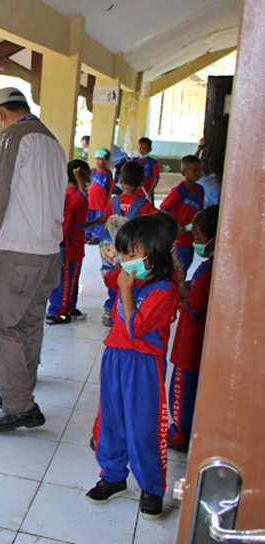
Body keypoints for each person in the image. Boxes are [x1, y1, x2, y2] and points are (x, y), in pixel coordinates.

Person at [0, 87, 66, 432]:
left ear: (0, 114)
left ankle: (19, 405)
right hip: (48, 252)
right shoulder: (52, 141)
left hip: (17, 251)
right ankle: (19, 387)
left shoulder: (11, 136)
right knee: (27, 323)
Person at [86, 214, 179, 520]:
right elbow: (110, 278)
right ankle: (113, 476)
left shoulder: (164, 290)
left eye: (131, 253)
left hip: (142, 364)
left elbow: (136, 327)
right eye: (124, 252)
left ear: (153, 256)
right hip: (115, 356)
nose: (125, 260)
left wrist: (127, 289)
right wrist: (121, 263)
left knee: (142, 427)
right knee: (111, 419)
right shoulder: (133, 275)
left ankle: (151, 488)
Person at [168, 205, 218, 450]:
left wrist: (180, 285)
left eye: (198, 238)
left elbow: (195, 301)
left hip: (190, 345)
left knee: (182, 392)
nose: (196, 242)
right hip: (195, 342)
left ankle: (180, 434)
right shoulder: (212, 267)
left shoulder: (210, 271)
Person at [83, 161, 158, 324]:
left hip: (110, 248)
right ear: (141, 183)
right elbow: (155, 222)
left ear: (121, 179)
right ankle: (123, 309)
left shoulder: (113, 201)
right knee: (130, 277)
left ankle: (110, 308)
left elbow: (106, 217)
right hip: (132, 250)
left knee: (112, 276)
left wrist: (92, 223)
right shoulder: (145, 206)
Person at [47, 160, 90, 325]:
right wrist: (79, 178)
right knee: (65, 280)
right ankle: (57, 312)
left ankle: (70, 307)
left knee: (72, 278)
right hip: (69, 245)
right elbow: (82, 197)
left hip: (76, 242)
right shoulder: (70, 194)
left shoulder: (70, 193)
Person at [160, 155, 205, 278]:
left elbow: (199, 211)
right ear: (184, 173)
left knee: (186, 264)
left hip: (191, 236)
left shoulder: (200, 190)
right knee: (179, 267)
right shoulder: (179, 190)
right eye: (194, 171)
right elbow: (164, 208)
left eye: (199, 170)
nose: (198, 173)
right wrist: (176, 224)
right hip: (179, 238)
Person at [86, 149, 114, 244]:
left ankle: (97, 236)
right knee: (89, 218)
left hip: (100, 202)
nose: (97, 162)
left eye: (100, 159)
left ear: (106, 161)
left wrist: (107, 201)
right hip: (90, 201)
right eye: (96, 159)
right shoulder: (92, 172)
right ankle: (87, 235)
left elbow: (110, 189)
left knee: (99, 219)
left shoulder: (108, 174)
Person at [131, 137, 160, 202]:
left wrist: (150, 192)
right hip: (134, 194)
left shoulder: (153, 163)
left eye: (145, 148)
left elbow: (155, 179)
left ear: (150, 149)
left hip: (146, 194)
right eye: (140, 147)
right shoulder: (133, 161)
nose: (142, 150)